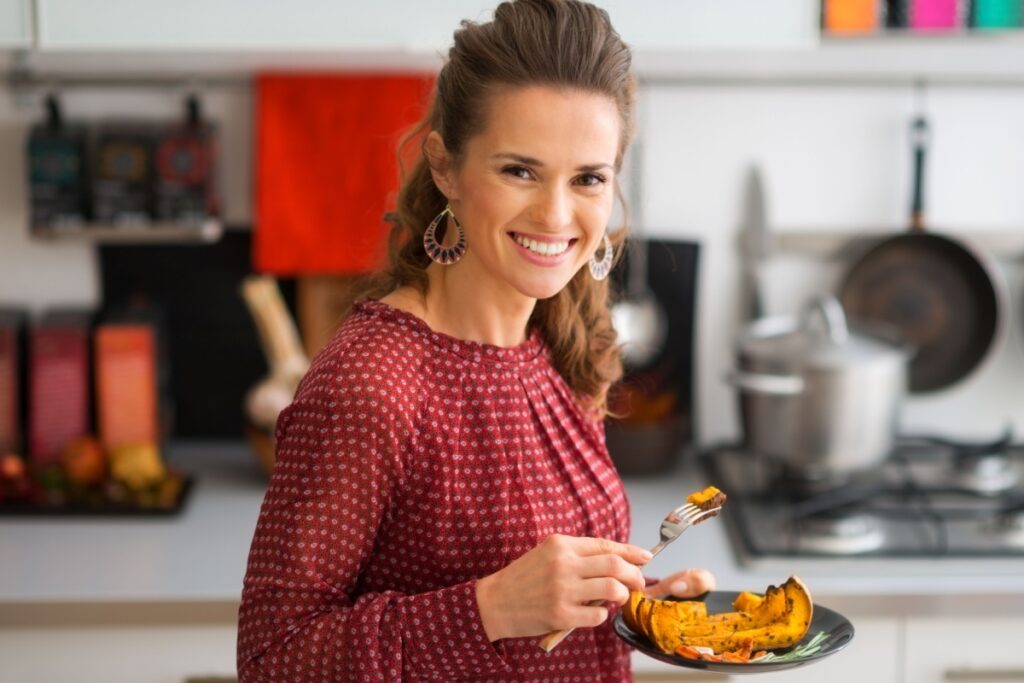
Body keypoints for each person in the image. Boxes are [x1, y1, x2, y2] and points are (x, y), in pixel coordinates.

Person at [236, 1, 714, 680]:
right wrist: (487, 607)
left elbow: (536, 624)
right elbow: (271, 658)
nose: (555, 214)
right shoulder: (373, 385)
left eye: (588, 178)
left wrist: (630, 610)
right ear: (445, 166)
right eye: (520, 170)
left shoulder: (561, 342)